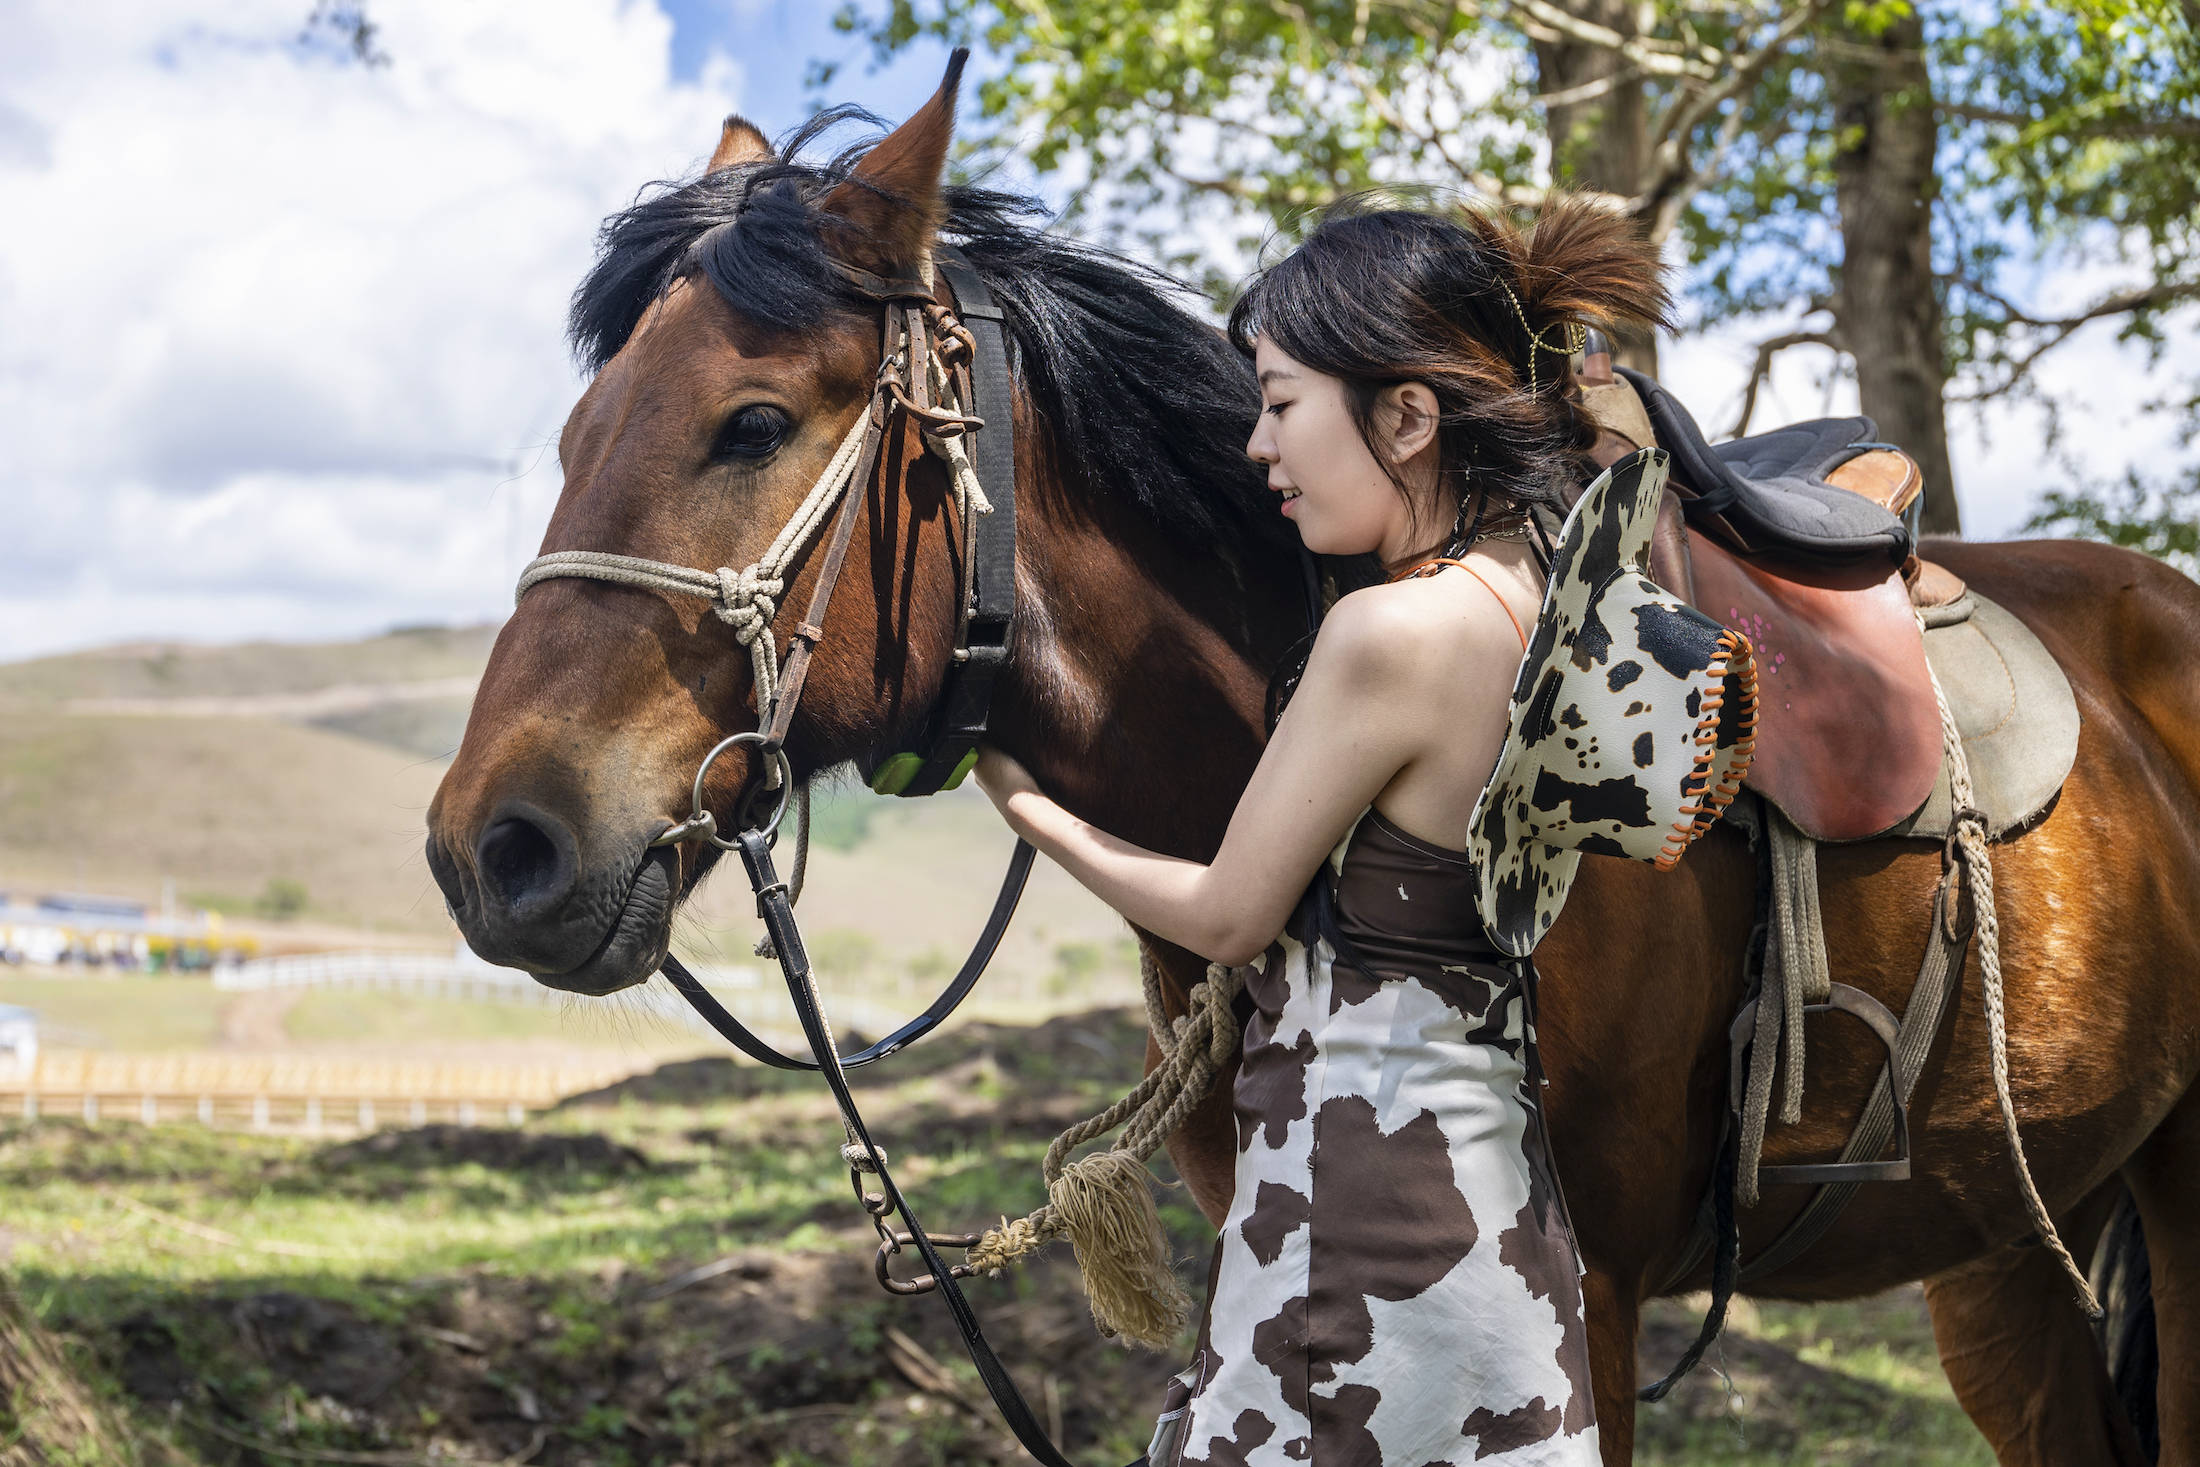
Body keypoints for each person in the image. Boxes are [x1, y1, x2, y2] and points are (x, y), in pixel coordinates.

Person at [973, 199, 1703, 1466]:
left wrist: (1028, 800)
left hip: (1353, 1222)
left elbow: (1223, 916)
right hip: (1489, 1219)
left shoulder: (1389, 634)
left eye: (1280, 402)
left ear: (1407, 417)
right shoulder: (1540, 598)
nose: (1259, 447)